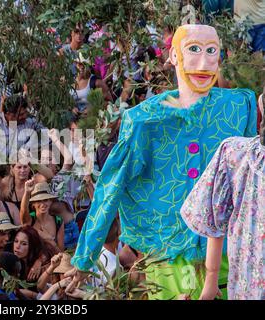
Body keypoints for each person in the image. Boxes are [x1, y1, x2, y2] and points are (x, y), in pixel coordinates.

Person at [67, 24, 258, 300]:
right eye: (193, 50)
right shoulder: (144, 120)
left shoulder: (240, 106)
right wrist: (85, 256)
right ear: (174, 57)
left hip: (230, 252)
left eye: (211, 51)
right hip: (169, 256)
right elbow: (111, 186)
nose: (204, 62)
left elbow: (251, 177)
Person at [181, 99, 265, 300]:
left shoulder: (235, 153)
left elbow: (212, 216)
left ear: (261, 103)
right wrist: (211, 279)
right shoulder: (236, 154)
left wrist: (211, 279)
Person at [20, 180, 64, 251]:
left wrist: (50, 241)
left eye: (46, 200)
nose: (43, 204)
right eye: (38, 201)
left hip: (53, 259)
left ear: (50, 201)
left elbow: (61, 251)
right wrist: (27, 192)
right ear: (33, 204)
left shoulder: (58, 221)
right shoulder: (31, 218)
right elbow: (23, 211)